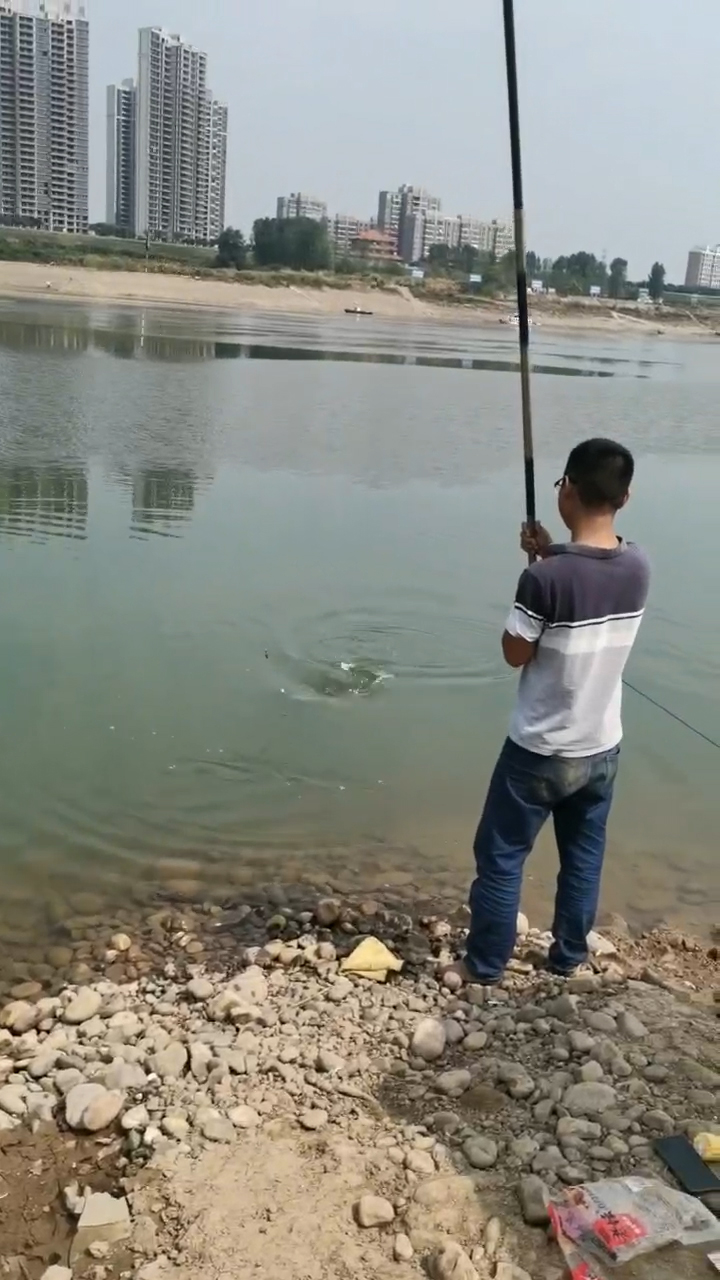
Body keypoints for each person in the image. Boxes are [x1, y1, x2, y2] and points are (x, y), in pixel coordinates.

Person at [457, 437, 650, 985]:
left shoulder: (543, 580)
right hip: (601, 748)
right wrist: (549, 552)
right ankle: (567, 959)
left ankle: (485, 964)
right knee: (583, 858)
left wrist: (539, 569)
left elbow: (515, 652)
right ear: (625, 497)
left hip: (539, 752)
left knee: (499, 855)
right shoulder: (638, 565)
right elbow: (589, 580)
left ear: (566, 489)